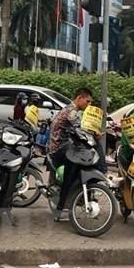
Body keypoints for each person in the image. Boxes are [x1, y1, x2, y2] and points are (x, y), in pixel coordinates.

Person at [48, 87, 94, 217]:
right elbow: (79, 129)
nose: (88, 104)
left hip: (63, 145)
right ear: (79, 98)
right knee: (71, 171)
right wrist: (90, 137)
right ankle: (61, 206)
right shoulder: (72, 111)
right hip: (58, 149)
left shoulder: (70, 109)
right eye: (88, 101)